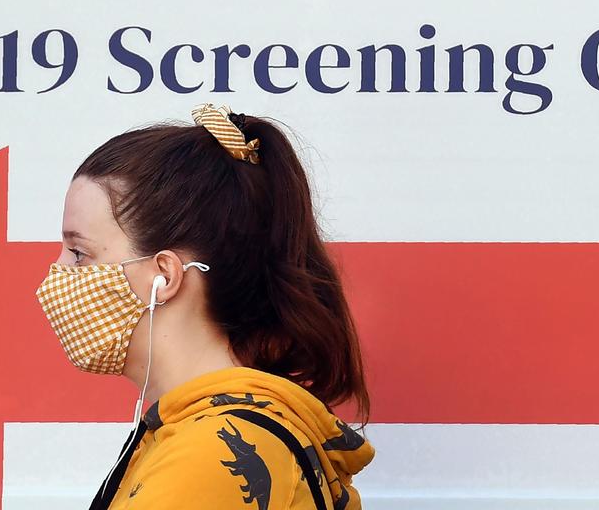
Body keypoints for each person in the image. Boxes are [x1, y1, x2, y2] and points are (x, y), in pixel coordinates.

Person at [35, 102, 376, 509]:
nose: (57, 271)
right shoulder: (198, 432)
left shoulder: (208, 456)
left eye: (78, 252)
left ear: (164, 275)